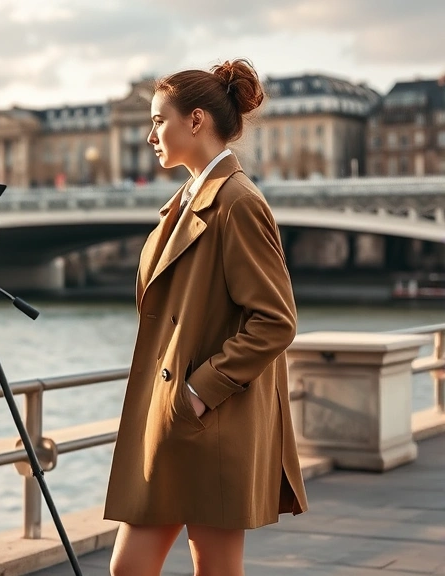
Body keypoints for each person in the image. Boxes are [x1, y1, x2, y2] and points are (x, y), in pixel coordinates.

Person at [103, 59, 308, 576]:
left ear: (195, 121)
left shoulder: (238, 202)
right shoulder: (188, 200)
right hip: (178, 419)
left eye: (157, 120)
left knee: (210, 569)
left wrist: (197, 392)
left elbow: (275, 320)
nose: (150, 134)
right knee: (131, 568)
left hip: (209, 417)